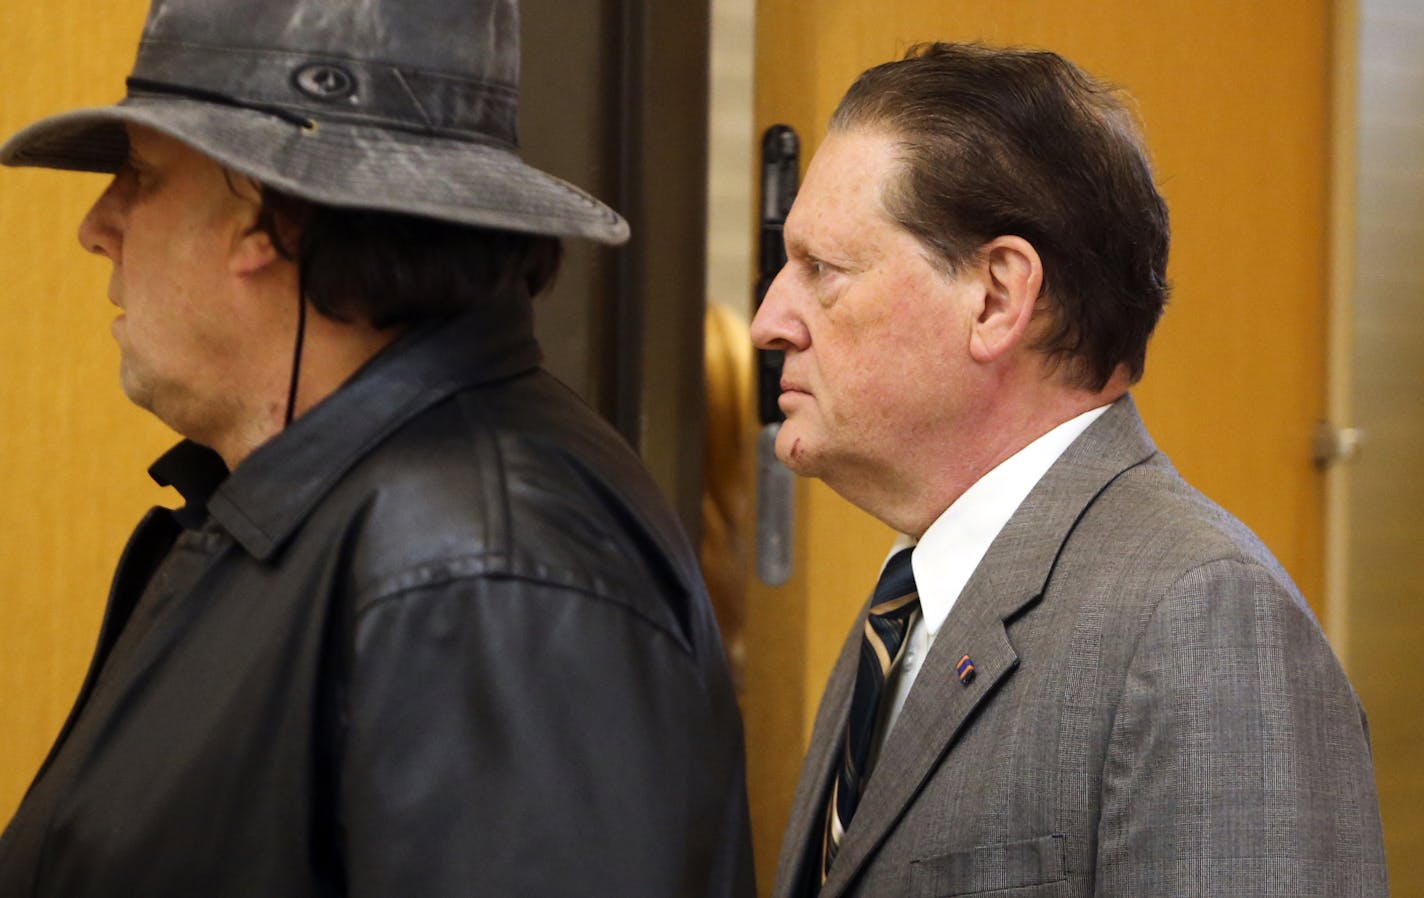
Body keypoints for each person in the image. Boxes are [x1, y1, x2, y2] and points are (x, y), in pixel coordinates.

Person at [0, 0, 754, 895]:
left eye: (141, 175)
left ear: (271, 215)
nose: (98, 225)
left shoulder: (481, 559)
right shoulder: (335, 512)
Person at [751, 42, 1387, 898]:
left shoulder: (1200, 620)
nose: (768, 321)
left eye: (822, 271)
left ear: (997, 297)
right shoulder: (905, 609)